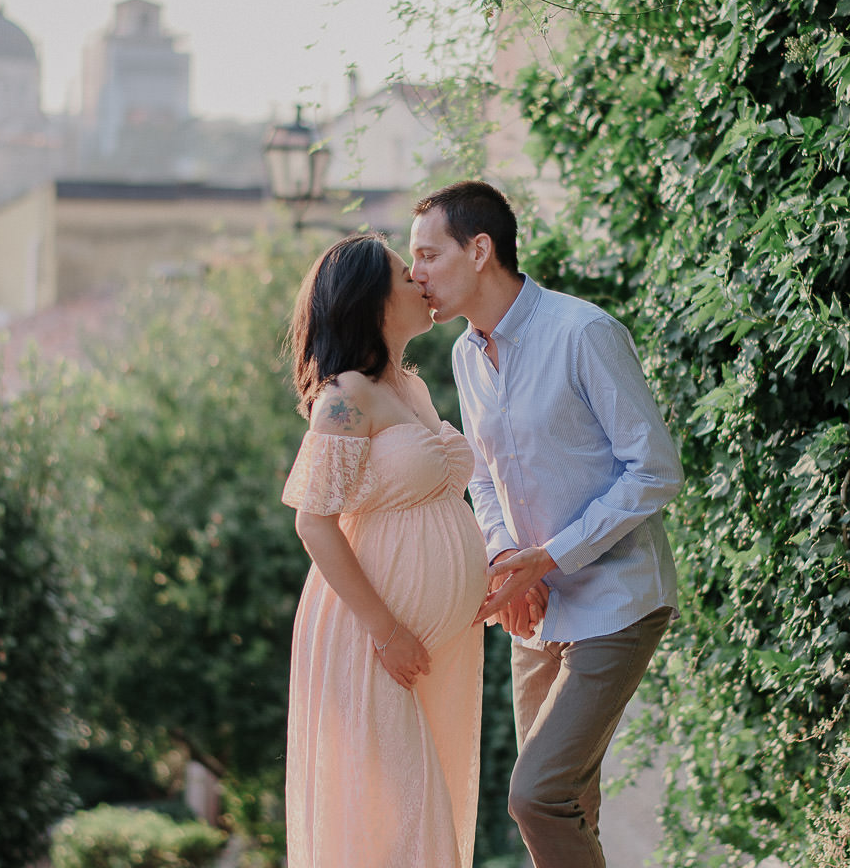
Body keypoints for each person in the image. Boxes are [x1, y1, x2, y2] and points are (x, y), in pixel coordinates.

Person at [409, 181, 683, 868]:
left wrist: (551, 556)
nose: (415, 275)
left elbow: (654, 470)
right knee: (568, 807)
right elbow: (482, 475)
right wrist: (508, 556)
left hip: (617, 600)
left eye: (428, 255)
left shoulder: (582, 333)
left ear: (479, 250)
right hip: (532, 609)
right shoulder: (465, 355)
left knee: (537, 796)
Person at [280, 232, 491, 868]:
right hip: (372, 641)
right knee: (400, 830)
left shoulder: (410, 387)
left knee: (420, 819)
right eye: (405, 273)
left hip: (431, 648)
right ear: (371, 301)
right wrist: (387, 632)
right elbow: (315, 523)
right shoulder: (346, 397)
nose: (420, 280)